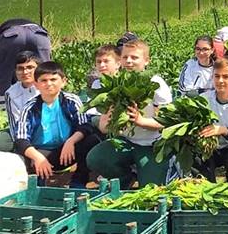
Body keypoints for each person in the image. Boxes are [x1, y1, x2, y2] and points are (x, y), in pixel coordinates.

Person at [86, 39, 174, 187]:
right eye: (125, 57)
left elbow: (166, 122)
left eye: (134, 57)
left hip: (152, 143)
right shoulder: (115, 83)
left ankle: (149, 171)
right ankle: (125, 179)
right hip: (126, 141)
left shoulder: (156, 83)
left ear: (146, 61)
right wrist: (111, 119)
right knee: (95, 158)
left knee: (150, 188)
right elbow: (103, 127)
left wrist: (141, 121)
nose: (129, 61)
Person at [13, 61, 93, 187]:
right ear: (36, 84)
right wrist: (38, 157)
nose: (49, 84)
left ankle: (78, 181)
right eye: (43, 80)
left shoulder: (71, 101)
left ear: (63, 81)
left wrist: (70, 142)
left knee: (90, 140)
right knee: (19, 160)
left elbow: (84, 125)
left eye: (53, 79)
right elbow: (21, 139)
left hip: (67, 150)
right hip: (41, 152)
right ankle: (37, 185)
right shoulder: (30, 107)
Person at [0, 52, 39, 153]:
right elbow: (14, 125)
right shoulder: (11, 93)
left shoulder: (47, 86)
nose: (25, 72)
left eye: (30, 67)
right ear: (16, 71)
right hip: (22, 132)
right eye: (20, 68)